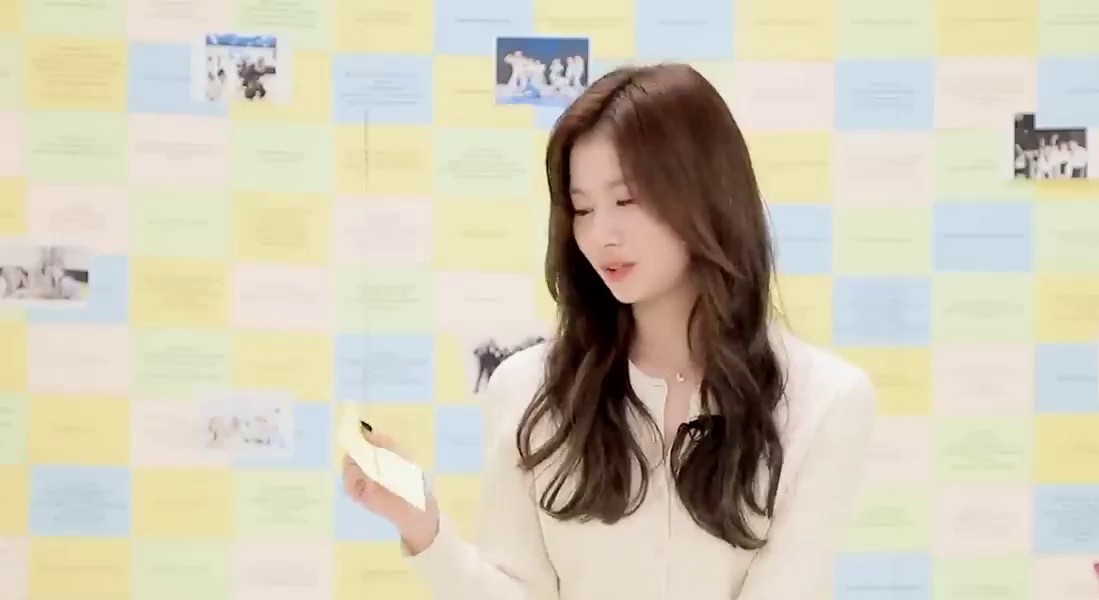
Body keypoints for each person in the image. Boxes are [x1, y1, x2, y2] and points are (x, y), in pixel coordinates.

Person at [342, 62, 876, 600]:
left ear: (707, 194)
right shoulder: (528, 391)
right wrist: (423, 527)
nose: (600, 234)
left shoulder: (825, 400)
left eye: (625, 200)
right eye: (582, 208)